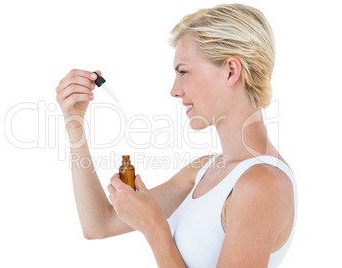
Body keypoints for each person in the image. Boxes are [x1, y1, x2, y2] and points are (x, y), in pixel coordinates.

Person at [55, 3, 296, 268]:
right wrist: (74, 122)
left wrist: (154, 226)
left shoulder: (263, 184)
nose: (174, 90)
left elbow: (137, 225)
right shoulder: (204, 169)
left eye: (183, 72)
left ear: (231, 71)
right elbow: (98, 224)